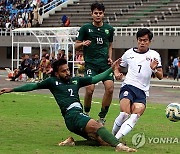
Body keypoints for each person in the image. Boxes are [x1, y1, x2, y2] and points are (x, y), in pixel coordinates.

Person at [0, 58, 136, 152]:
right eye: (64, 71)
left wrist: (111, 69)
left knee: (101, 141)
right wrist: (12, 89)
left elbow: (95, 79)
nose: (67, 73)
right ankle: (119, 146)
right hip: (72, 115)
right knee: (97, 125)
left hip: (77, 116)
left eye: (68, 70)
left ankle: (72, 142)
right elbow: (32, 86)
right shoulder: (52, 82)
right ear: (56, 73)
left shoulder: (76, 80)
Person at [112, 28, 163, 140]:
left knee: (134, 116)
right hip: (128, 86)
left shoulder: (154, 55)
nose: (142, 42)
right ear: (137, 40)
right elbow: (117, 67)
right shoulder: (128, 53)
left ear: (150, 41)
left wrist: (154, 69)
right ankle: (111, 138)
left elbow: (160, 76)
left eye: (145, 40)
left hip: (142, 92)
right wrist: (117, 73)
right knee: (125, 114)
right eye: (140, 40)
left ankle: (115, 140)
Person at [75, 2, 115, 124]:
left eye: (100, 13)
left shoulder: (109, 29)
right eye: (95, 13)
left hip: (105, 65)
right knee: (89, 89)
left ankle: (102, 118)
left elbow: (110, 45)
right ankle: (86, 113)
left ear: (104, 14)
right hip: (91, 64)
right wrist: (82, 44)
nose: (98, 15)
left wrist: (110, 58)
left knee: (110, 89)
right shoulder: (85, 28)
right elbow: (76, 45)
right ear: (91, 14)